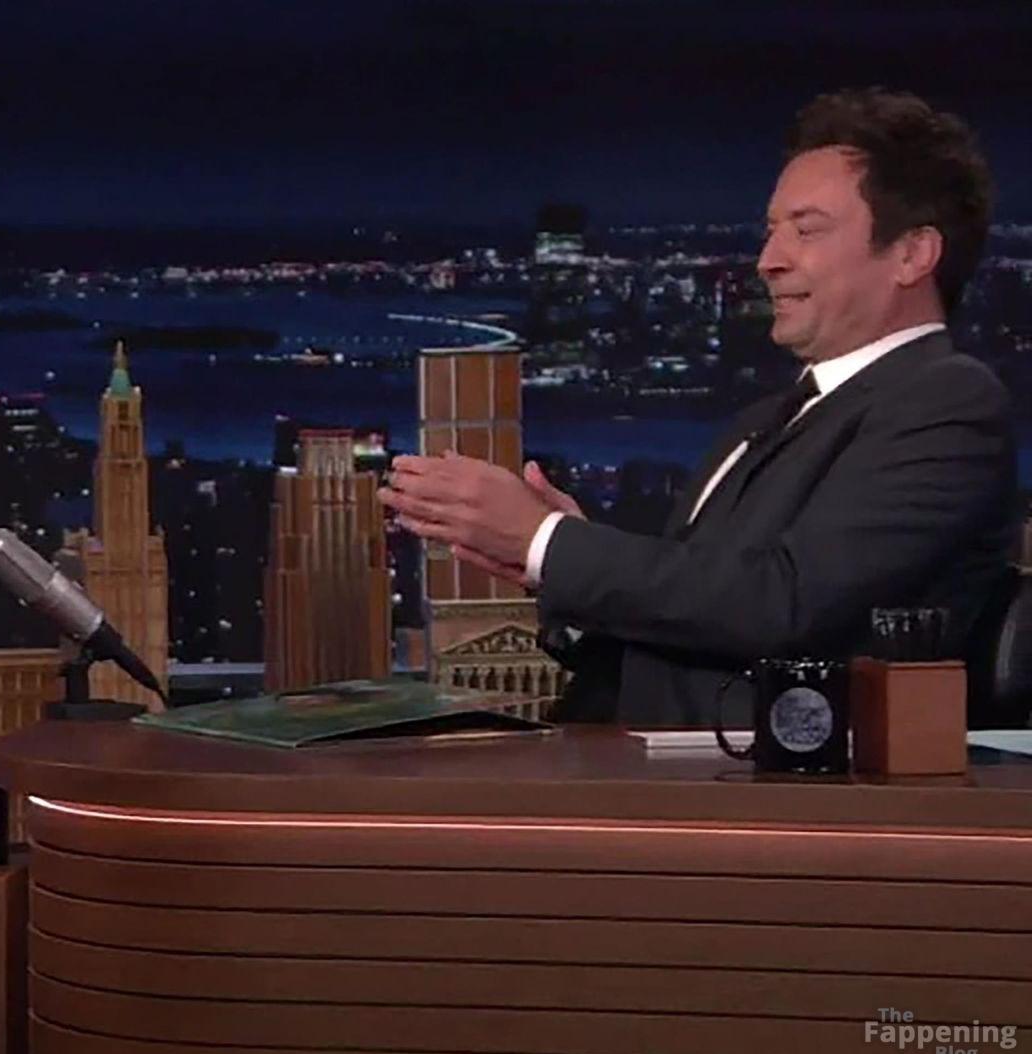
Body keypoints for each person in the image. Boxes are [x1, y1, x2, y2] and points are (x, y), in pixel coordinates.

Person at [381, 89, 1015, 728]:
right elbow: (699, 618)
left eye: (806, 230)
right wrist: (550, 566)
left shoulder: (946, 404)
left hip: (759, 779)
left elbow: (784, 607)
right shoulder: (766, 420)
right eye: (771, 231)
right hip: (628, 755)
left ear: (911, 254)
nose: (768, 261)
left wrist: (548, 541)